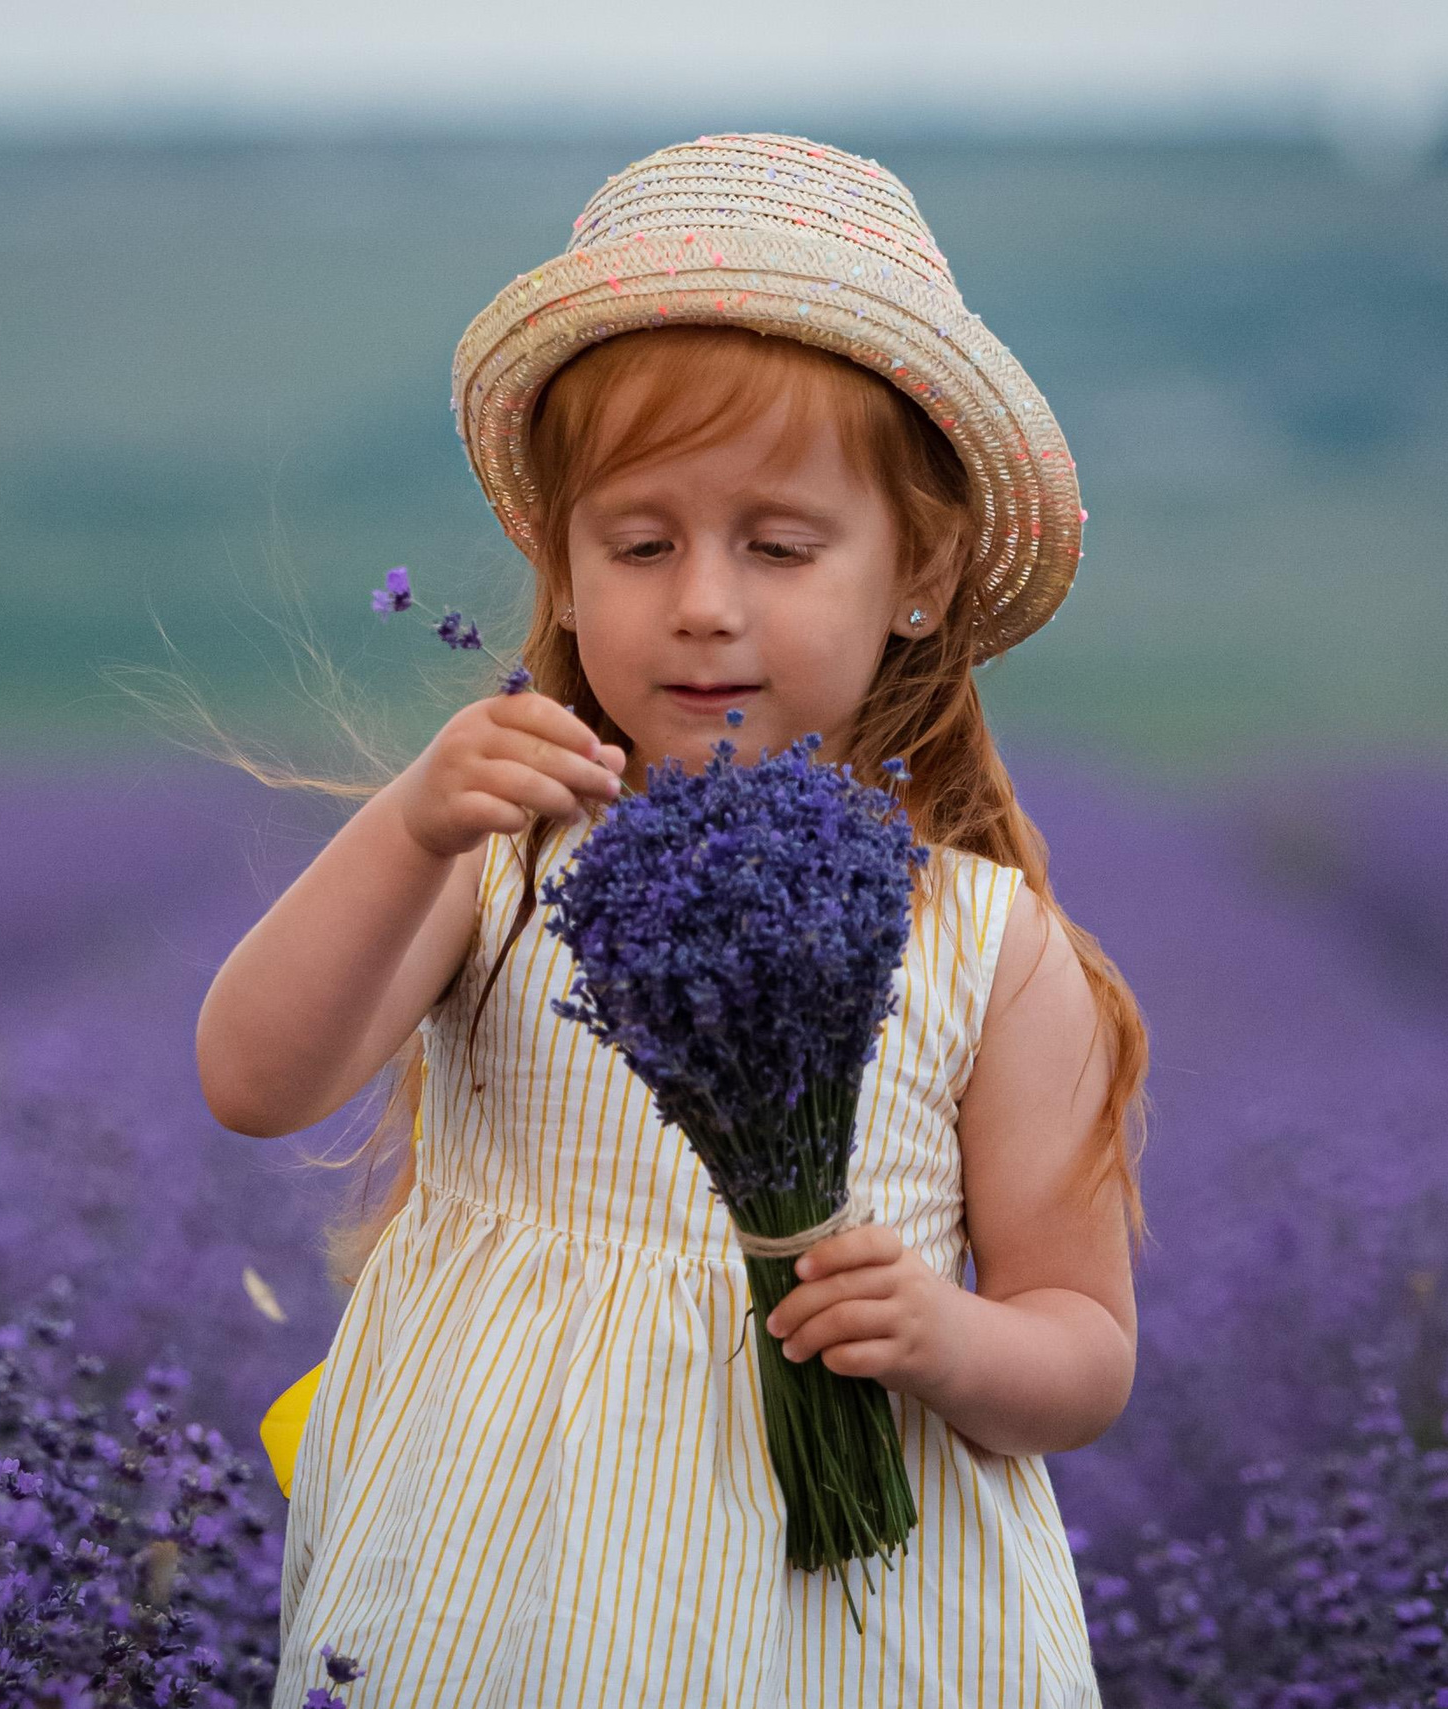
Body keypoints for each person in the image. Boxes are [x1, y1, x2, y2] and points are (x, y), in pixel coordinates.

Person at [195, 132, 1151, 1707]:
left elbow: (1084, 1348)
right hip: (501, 1566)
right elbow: (253, 1077)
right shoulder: (500, 862)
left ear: (915, 570)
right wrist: (413, 819)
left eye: (778, 545)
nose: (704, 599)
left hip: (845, 1619)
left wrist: (945, 1339)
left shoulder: (986, 941)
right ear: (563, 570)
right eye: (641, 544)